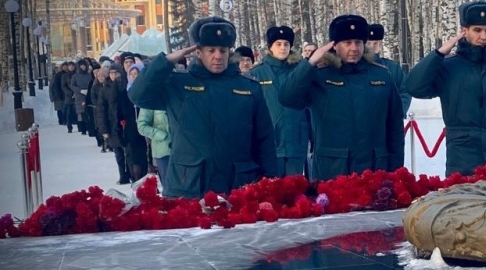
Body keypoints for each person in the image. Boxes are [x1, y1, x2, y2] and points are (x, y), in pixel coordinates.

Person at [128, 16, 279, 198]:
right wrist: (166, 62)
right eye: (211, 50)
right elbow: (138, 95)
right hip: (189, 187)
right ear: (198, 52)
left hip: (237, 186)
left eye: (223, 50)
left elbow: (264, 139)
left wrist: (270, 182)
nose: (218, 56)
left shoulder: (248, 87)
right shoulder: (177, 84)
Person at [406, 0, 486, 175]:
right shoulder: (448, 67)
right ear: (464, 31)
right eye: (477, 30)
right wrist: (438, 54)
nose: (483, 36)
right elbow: (414, 87)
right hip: (462, 162)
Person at [279, 14, 404, 181]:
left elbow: (395, 127)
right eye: (347, 43)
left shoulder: (381, 75)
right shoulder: (319, 76)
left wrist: (396, 174)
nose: (354, 48)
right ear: (335, 45)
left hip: (375, 171)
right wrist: (309, 63)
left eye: (358, 42)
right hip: (332, 173)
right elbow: (287, 98)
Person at [249, 26, 309, 177]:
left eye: (286, 44)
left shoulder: (299, 71)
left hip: (296, 139)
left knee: (295, 189)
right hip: (271, 142)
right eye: (278, 44)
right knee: (272, 189)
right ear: (270, 47)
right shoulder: (257, 73)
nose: (283, 48)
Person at [367, 23, 411, 117]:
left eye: (375, 43)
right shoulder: (356, 68)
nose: (372, 46)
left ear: (380, 44)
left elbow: (405, 91)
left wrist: (397, 113)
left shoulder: (392, 68)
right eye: (368, 43)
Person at [137, 107, 171, 183]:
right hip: (164, 151)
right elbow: (142, 126)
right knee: (169, 188)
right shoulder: (151, 99)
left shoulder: (182, 95)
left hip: (185, 150)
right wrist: (162, 136)